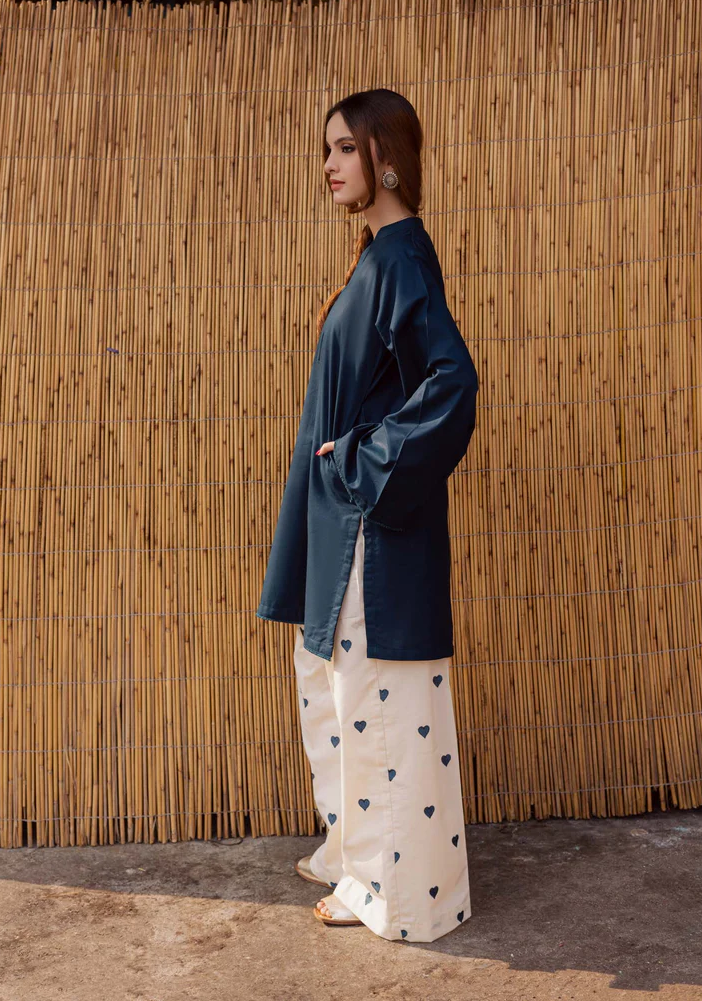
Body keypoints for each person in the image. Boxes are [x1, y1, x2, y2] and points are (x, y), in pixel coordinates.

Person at [256, 88, 479, 941]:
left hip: (371, 531)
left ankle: (392, 888)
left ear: (387, 156)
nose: (328, 164)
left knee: (376, 698)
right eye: (327, 149)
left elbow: (452, 385)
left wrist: (360, 458)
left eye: (345, 147)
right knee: (334, 688)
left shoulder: (401, 259)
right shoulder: (378, 257)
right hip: (344, 522)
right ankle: (353, 851)